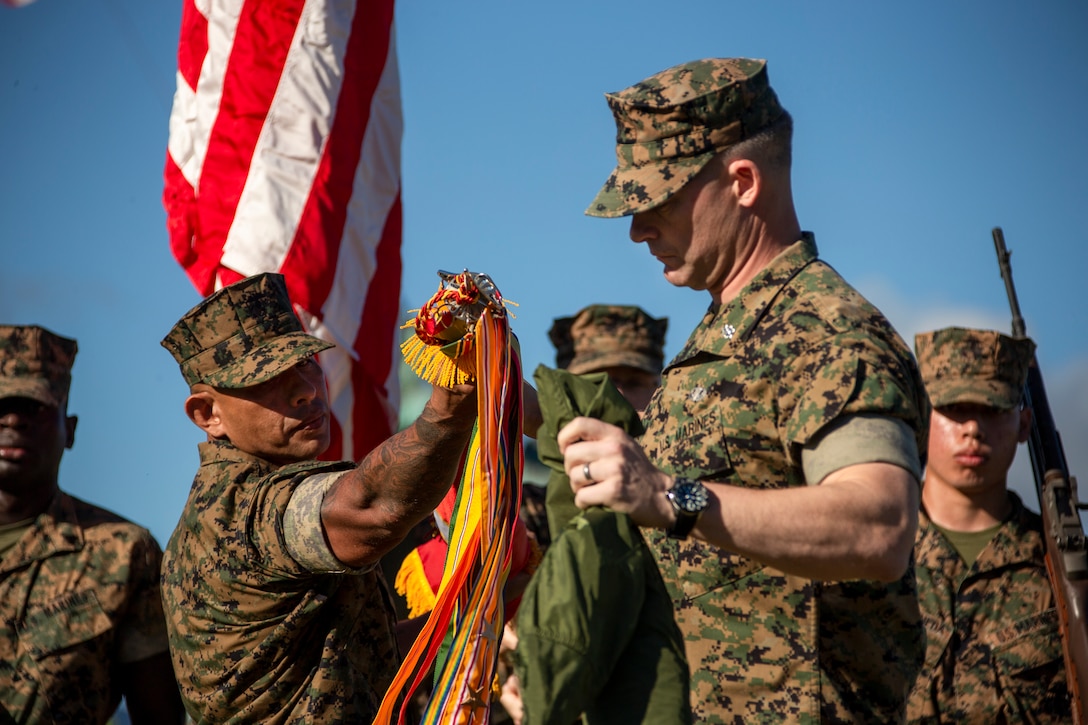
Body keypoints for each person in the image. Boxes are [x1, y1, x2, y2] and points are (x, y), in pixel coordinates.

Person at [560, 58, 929, 722]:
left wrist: (671, 495)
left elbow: (880, 524)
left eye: (656, 201)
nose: (638, 229)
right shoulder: (727, 333)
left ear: (742, 181)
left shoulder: (828, 330)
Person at [159, 272, 477, 723]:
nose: (307, 390)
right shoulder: (238, 510)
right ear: (208, 414)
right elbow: (371, 509)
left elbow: (357, 661)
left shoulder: (250, 494)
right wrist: (452, 402)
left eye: (306, 362)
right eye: (266, 380)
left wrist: (481, 608)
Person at [505, 303, 690, 725]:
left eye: (633, 381)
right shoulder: (518, 516)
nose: (616, 398)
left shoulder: (697, 492)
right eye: (597, 385)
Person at [0, 324, 184, 724]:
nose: (13, 420)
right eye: (1, 406)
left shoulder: (121, 553)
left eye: (35, 407)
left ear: (71, 430)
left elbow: (159, 715)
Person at [907, 326, 1071, 722]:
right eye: (956, 410)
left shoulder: (1061, 571)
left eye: (993, 409)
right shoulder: (874, 554)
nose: (973, 430)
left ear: (1025, 424)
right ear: (921, 418)